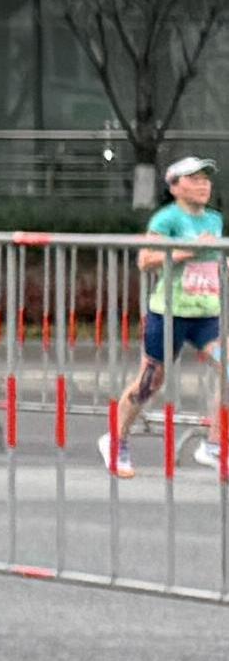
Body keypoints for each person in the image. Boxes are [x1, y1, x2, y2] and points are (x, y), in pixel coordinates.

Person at [106, 154, 227, 480]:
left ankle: (214, 446)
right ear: (175, 186)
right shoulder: (166, 219)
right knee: (150, 383)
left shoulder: (214, 219)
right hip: (169, 314)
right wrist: (189, 248)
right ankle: (117, 441)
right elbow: (146, 260)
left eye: (206, 178)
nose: (203, 184)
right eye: (194, 179)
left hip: (206, 315)